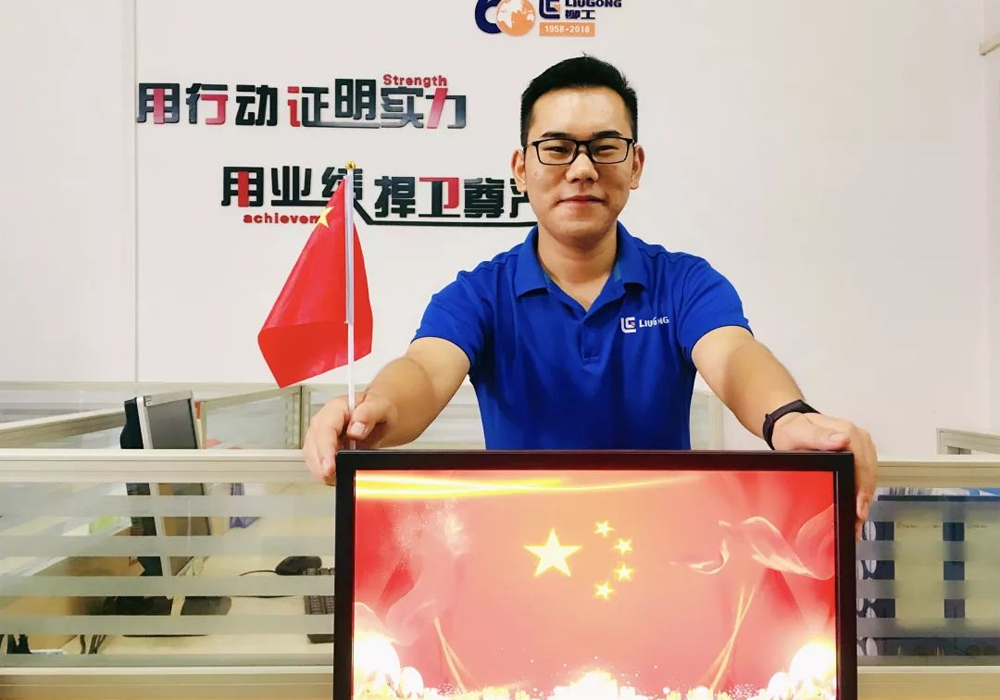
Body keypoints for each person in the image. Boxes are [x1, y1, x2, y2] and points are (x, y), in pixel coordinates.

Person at [303, 55, 877, 537]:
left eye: (604, 147)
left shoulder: (684, 283)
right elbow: (426, 372)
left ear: (635, 165)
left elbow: (732, 357)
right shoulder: (480, 293)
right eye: (557, 148)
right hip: (516, 554)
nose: (581, 169)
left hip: (666, 553)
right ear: (521, 169)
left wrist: (788, 418)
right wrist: (375, 412)